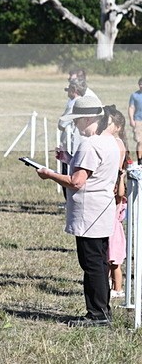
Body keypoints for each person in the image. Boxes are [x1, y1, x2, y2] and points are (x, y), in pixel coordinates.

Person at [36, 95, 121, 327]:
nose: (74, 124)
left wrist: (49, 174)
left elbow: (77, 181)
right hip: (102, 211)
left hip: (88, 213)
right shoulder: (109, 141)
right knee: (99, 263)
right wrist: (69, 158)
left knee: (91, 264)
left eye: (76, 120)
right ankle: (102, 310)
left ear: (86, 119)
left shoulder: (90, 144)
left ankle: (97, 315)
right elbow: (92, 170)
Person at [97, 106, 130, 300]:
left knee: (114, 258)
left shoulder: (117, 144)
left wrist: (118, 180)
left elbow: (120, 188)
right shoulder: (112, 142)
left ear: (116, 127)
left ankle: (117, 288)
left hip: (114, 201)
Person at [128, 76, 142, 165]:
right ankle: (140, 160)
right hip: (138, 120)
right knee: (140, 141)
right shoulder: (134, 95)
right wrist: (131, 119)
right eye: (140, 84)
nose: (141, 86)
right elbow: (131, 108)